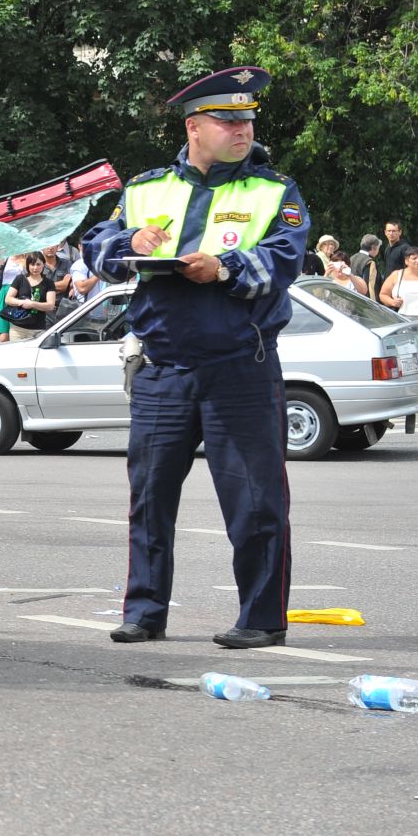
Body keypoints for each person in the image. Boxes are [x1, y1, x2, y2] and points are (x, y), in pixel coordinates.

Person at [80, 65, 309, 650]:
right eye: (228, 121)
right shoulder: (146, 188)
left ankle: (260, 620)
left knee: (256, 503)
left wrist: (224, 267)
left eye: (248, 120)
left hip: (241, 367)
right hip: (162, 368)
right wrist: (128, 243)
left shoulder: (274, 191)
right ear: (194, 128)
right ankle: (145, 612)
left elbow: (284, 259)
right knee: (149, 499)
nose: (242, 130)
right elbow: (96, 243)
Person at [2, 252, 60, 341]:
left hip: (38, 329)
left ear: (43, 265)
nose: (35, 268)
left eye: (38, 264)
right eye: (32, 264)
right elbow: (8, 299)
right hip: (18, 328)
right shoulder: (20, 279)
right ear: (28, 265)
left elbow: (50, 305)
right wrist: (22, 302)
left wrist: (32, 304)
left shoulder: (49, 283)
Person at [378, 220, 411, 304]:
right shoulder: (387, 248)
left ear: (400, 232)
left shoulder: (405, 248)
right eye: (389, 231)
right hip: (388, 288)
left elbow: (410, 270)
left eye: (394, 231)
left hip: (400, 289)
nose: (391, 233)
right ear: (385, 232)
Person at [349, 234, 382, 302]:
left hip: (351, 296)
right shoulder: (369, 262)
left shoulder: (352, 257)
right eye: (378, 248)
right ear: (373, 248)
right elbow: (370, 286)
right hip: (363, 301)